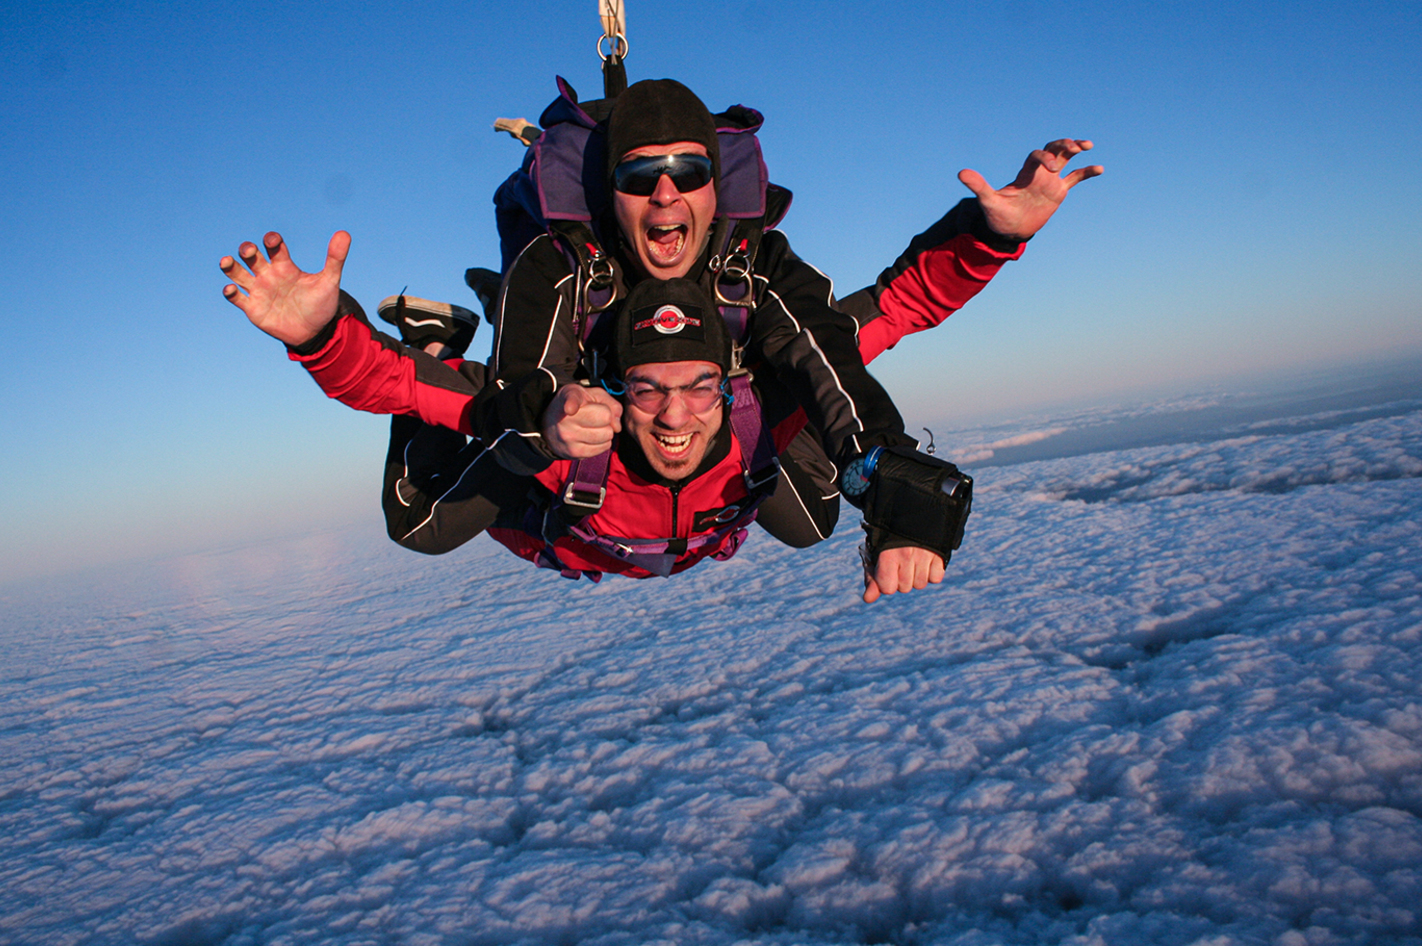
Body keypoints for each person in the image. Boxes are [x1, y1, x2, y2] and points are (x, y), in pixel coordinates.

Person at [220, 80, 1100, 600]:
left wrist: (888, 485)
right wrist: (327, 336)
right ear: (613, 194)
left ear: (720, 189)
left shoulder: (757, 299)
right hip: (571, 497)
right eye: (643, 177)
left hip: (709, 512)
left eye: (690, 173)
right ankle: (448, 335)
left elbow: (865, 332)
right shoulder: (563, 296)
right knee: (420, 525)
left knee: (812, 517)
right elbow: (433, 390)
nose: (670, 195)